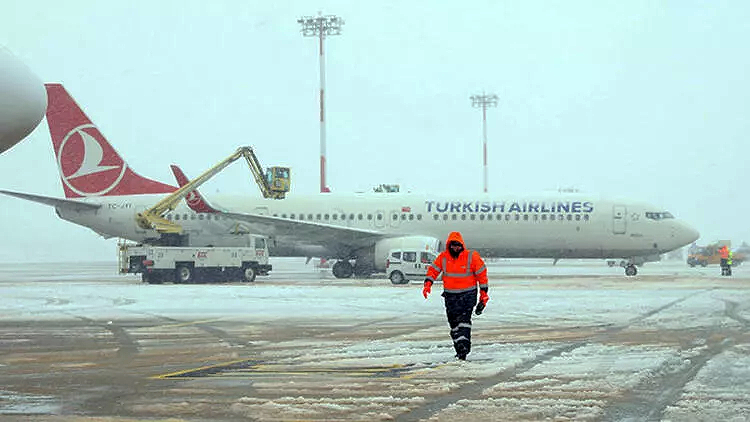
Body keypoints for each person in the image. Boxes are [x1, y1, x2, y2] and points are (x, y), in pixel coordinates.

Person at [422, 231, 488, 360]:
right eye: (453, 246)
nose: (455, 248)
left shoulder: (471, 256)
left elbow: (482, 275)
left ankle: (464, 347)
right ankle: (459, 348)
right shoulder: (443, 257)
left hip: (468, 295)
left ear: (462, 245)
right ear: (449, 246)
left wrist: (484, 294)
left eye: (458, 245)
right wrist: (428, 283)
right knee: (453, 323)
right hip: (451, 296)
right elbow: (433, 270)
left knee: (463, 322)